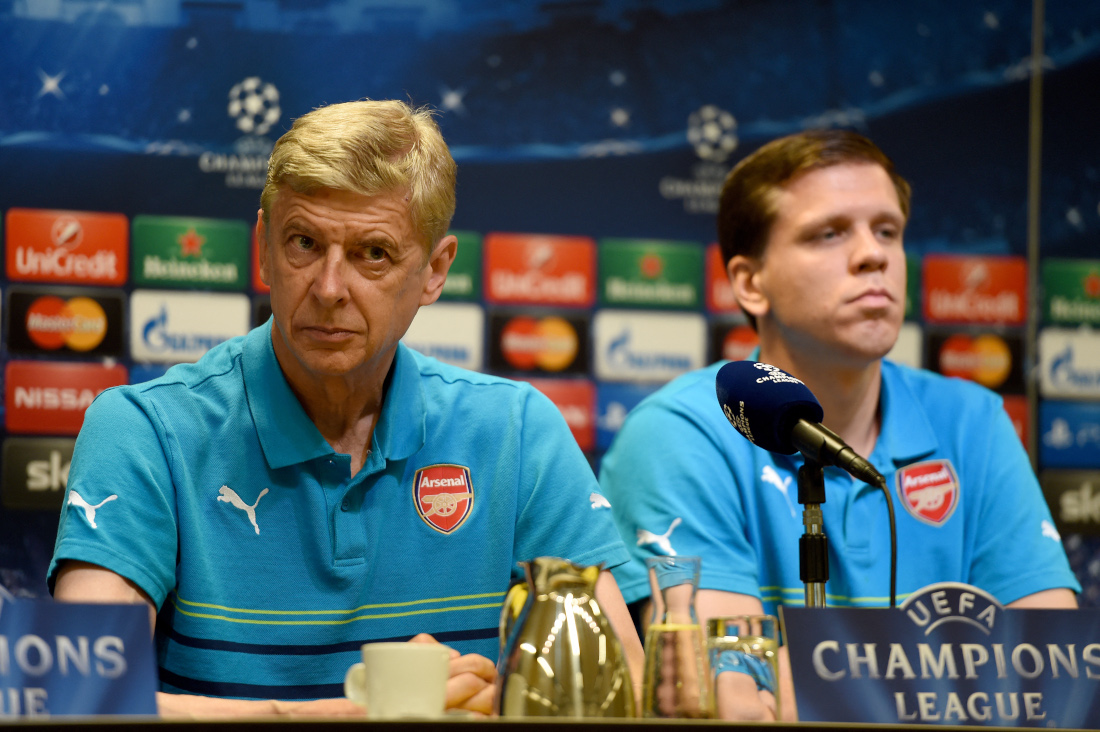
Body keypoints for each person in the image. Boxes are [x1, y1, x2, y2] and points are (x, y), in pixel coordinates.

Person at [49, 99, 643, 718]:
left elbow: (620, 685)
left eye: (373, 254)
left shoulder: (518, 432)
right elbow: (76, 697)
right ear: (263, 247)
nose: (330, 289)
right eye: (304, 243)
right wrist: (352, 716)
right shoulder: (143, 430)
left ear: (435, 272)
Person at [598, 129, 1079, 720]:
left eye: (887, 231)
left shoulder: (971, 420)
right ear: (751, 283)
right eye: (829, 234)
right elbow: (733, 696)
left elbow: (1054, 676)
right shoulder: (682, 431)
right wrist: (958, 678)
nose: (872, 255)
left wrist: (819, 677)